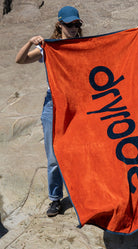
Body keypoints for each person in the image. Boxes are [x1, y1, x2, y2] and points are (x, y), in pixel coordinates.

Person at [15, 6, 83, 217]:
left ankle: (81, 196)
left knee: (80, 152)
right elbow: (20, 60)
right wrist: (30, 42)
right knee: (54, 157)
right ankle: (55, 199)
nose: (73, 28)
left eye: (76, 24)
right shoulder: (49, 48)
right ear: (59, 25)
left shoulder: (83, 46)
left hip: (78, 105)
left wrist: (134, 34)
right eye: (69, 25)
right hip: (52, 104)